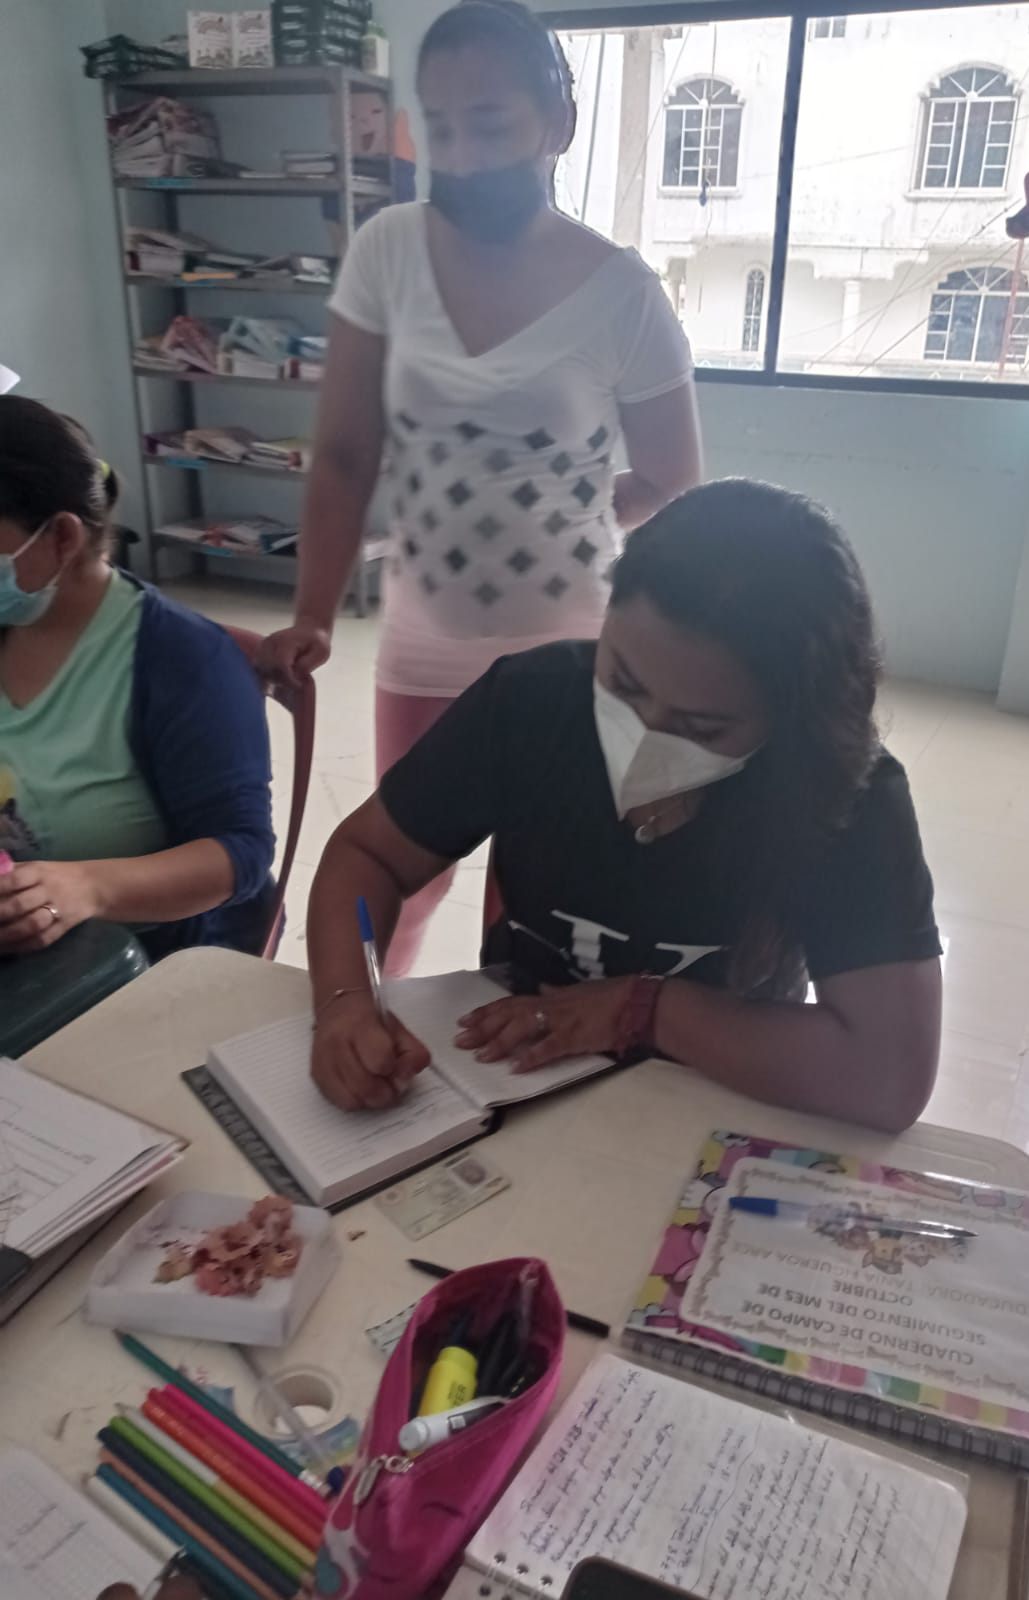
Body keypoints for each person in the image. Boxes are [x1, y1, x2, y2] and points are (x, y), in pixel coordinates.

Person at [259, 0, 701, 974]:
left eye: (490, 124)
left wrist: (578, 509)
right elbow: (344, 455)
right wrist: (313, 615)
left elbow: (675, 477)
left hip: (571, 653)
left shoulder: (622, 293)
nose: (460, 157)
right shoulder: (386, 252)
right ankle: (367, 1023)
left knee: (533, 890)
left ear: (556, 124)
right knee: (404, 874)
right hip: (425, 642)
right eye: (442, 127)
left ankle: (509, 1047)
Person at [304, 480, 942, 1135]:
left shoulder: (846, 789)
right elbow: (368, 855)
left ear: (793, 719)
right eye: (624, 684)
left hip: (724, 1090)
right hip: (514, 1073)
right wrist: (345, 1002)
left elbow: (888, 1077)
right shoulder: (532, 702)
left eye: (701, 727)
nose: (646, 733)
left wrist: (644, 1010)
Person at [0, 397, 273, 960]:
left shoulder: (183, 660)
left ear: (63, 537)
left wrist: (89, 887)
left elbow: (241, 853)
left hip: (148, 961)